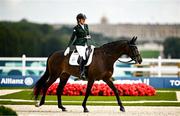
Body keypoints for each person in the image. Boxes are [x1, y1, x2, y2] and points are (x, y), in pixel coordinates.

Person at [64, 13, 91, 79]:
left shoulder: (86, 26)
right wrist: (68, 47)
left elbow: (88, 34)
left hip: (85, 44)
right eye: (83, 19)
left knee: (89, 55)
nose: (84, 20)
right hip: (79, 44)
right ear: (79, 20)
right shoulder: (76, 28)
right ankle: (81, 72)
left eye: (84, 19)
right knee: (83, 56)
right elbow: (72, 38)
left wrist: (88, 36)